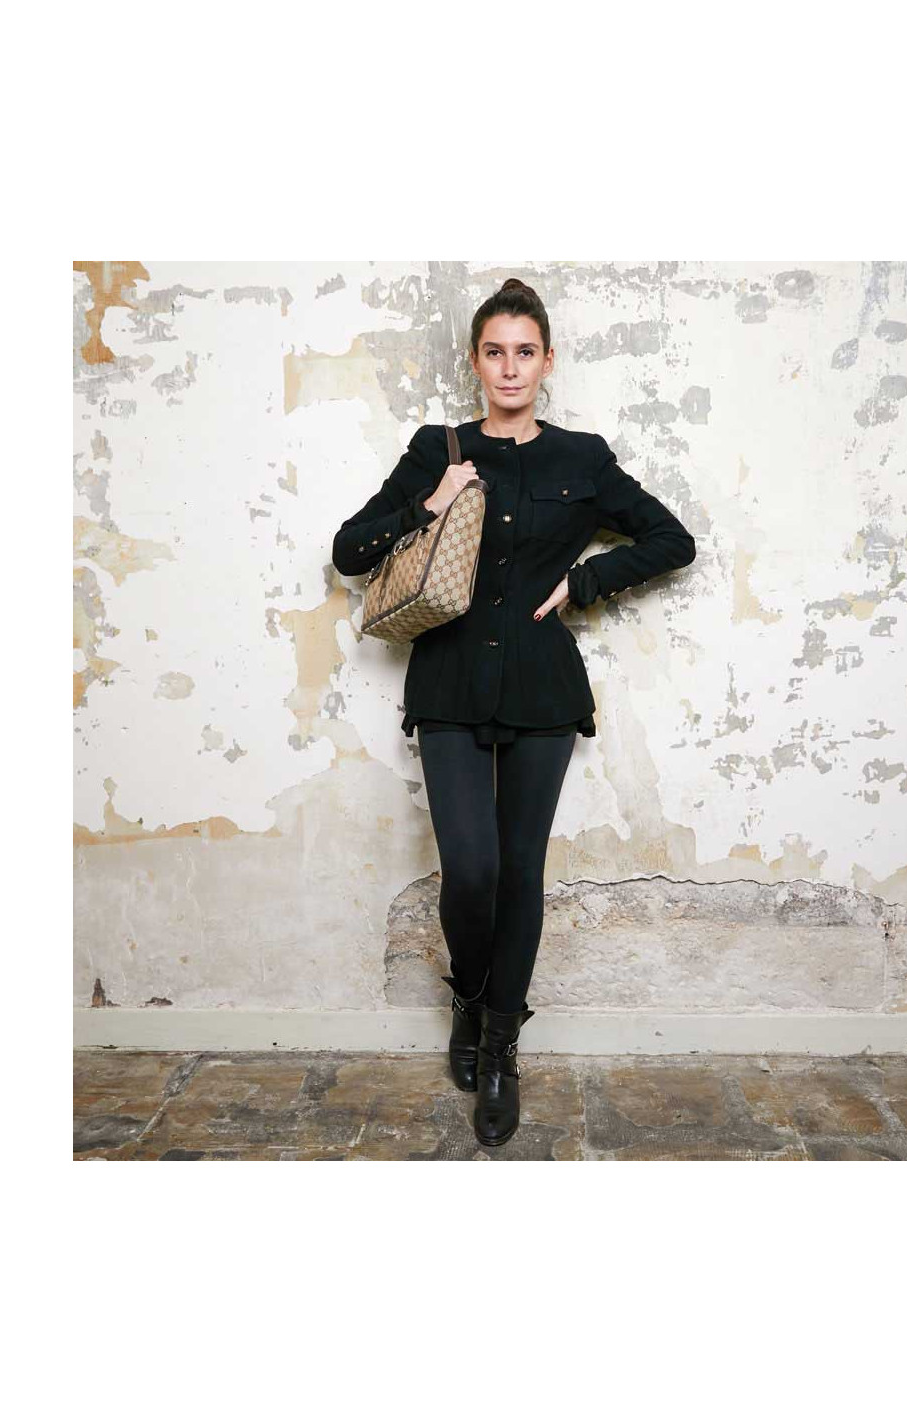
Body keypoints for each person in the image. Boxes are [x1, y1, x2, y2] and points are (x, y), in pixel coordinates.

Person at [333, 278, 697, 1147]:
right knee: (471, 869)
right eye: (494, 352)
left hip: (540, 688)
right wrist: (431, 499)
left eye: (524, 352)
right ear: (475, 361)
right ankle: (468, 997)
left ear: (546, 361)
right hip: (449, 684)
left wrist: (586, 581)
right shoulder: (438, 449)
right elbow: (349, 551)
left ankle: (500, 1047)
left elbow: (672, 540)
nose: (509, 367)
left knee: (519, 872)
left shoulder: (582, 458)